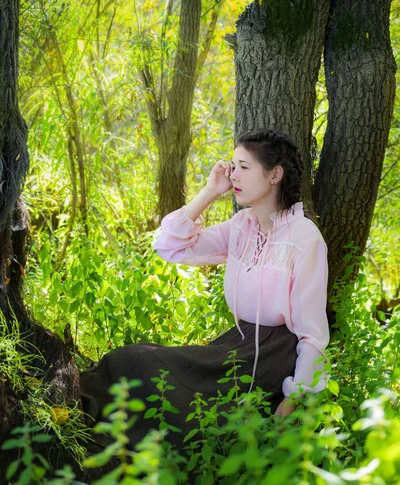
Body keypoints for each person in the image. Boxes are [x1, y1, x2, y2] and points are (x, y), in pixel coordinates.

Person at [80, 129, 329, 448]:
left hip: (272, 358)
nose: (233, 175)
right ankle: (80, 414)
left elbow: (313, 335)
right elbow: (169, 246)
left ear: (275, 174)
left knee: (142, 365)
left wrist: (294, 398)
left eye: (243, 167)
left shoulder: (304, 238)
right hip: (235, 343)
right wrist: (210, 192)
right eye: (233, 166)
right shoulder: (242, 227)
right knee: (129, 359)